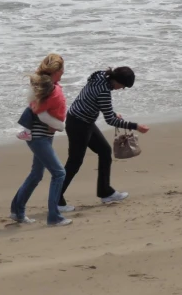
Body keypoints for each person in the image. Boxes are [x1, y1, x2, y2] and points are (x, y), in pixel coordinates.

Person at [58, 66, 149, 212]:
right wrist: (136, 126)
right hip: (79, 124)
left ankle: (105, 192)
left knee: (105, 152)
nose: (121, 89)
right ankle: (57, 200)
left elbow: (94, 99)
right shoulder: (104, 91)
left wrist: (111, 112)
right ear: (117, 81)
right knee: (74, 162)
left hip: (83, 121)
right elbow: (110, 121)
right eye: (123, 86)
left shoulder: (100, 75)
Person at [9, 54, 72, 227]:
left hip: (42, 136)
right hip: (39, 136)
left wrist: (55, 125)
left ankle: (17, 211)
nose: (63, 73)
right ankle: (54, 217)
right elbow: (39, 111)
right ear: (56, 71)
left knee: (36, 174)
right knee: (59, 173)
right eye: (62, 70)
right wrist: (58, 125)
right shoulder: (50, 88)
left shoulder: (46, 86)